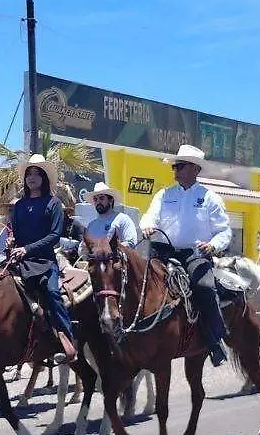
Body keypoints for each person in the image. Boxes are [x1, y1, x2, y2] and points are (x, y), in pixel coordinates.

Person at [140, 144, 233, 367]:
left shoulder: (209, 197)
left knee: (204, 286)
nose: (175, 170)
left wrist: (213, 245)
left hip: (195, 254)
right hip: (163, 252)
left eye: (180, 166)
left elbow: (224, 230)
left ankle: (215, 339)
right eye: (175, 166)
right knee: (138, 281)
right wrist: (147, 226)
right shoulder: (164, 194)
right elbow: (148, 217)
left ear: (194, 169)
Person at [8, 155, 76, 364]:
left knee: (53, 293)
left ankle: (68, 342)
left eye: (37, 173)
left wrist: (26, 249)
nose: (32, 178)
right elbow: (17, 234)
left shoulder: (53, 203)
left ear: (44, 178)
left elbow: (54, 236)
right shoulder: (19, 206)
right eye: (29, 174)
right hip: (20, 260)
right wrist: (12, 242)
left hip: (45, 261)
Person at [83, 182, 138, 248]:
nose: (98, 202)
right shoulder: (91, 225)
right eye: (95, 199)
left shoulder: (123, 219)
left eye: (101, 198)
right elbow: (83, 248)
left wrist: (113, 248)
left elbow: (131, 242)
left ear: (110, 200)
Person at [0, 198, 18, 268]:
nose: (12, 213)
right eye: (10, 210)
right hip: (5, 266)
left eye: (15, 210)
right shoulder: (6, 230)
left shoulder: (27, 228)